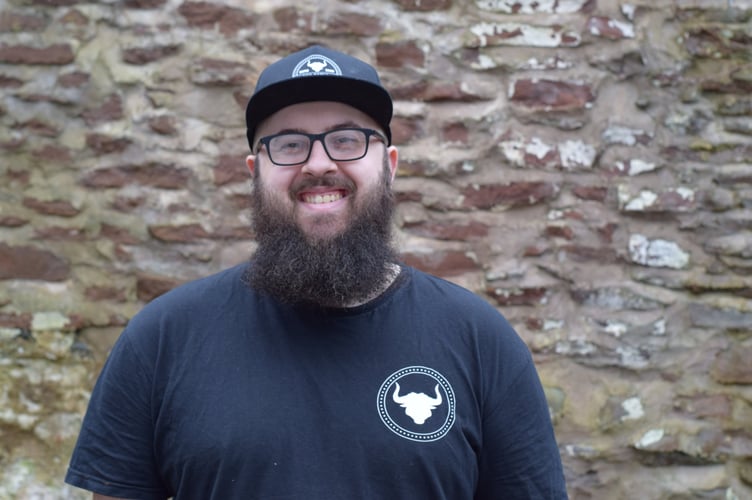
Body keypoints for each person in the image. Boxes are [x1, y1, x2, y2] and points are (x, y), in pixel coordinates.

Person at [65, 45, 568, 499]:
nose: (319, 163)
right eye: (288, 144)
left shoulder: (481, 342)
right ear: (255, 172)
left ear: (390, 165)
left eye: (347, 140)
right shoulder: (162, 339)